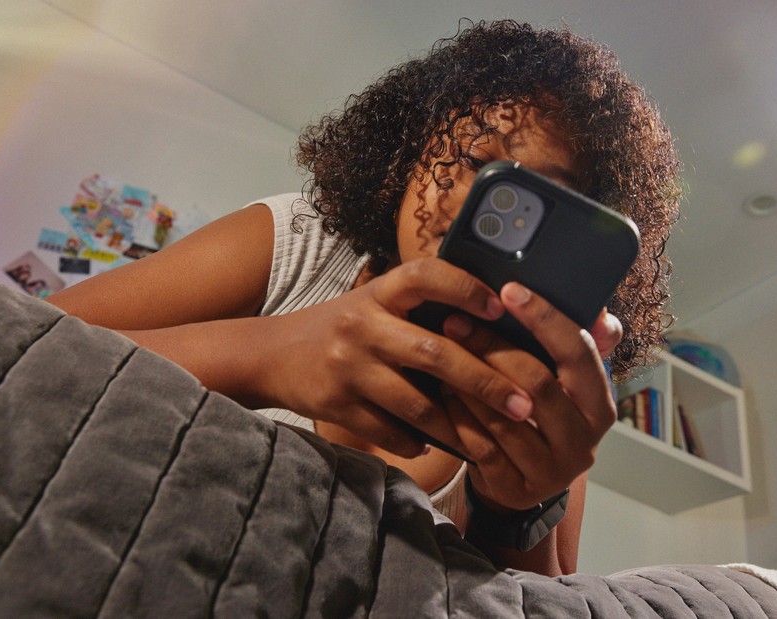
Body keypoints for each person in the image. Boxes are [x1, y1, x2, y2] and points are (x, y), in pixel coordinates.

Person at [47, 20, 680, 577]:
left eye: (527, 200)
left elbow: (537, 597)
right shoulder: (302, 243)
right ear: (407, 153)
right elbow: (15, 344)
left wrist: (518, 510)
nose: (464, 202)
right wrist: (268, 356)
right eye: (468, 157)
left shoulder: (551, 393)